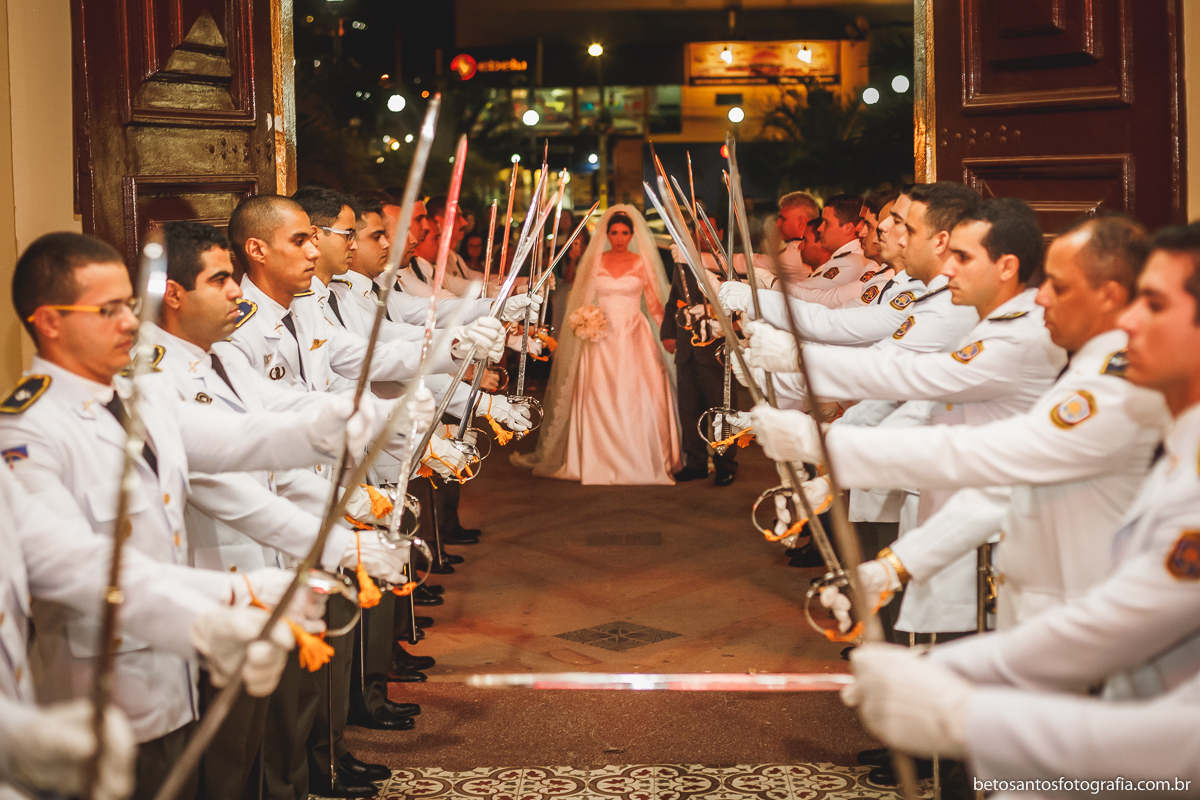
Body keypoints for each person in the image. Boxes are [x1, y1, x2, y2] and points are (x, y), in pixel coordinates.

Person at [844, 223, 1200, 792]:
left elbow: (1126, 624)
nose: (1131, 319)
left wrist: (962, 709)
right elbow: (1004, 483)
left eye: (1154, 304)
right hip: (1075, 660)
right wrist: (899, 574)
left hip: (1093, 671)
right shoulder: (1141, 403)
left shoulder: (1115, 385)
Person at [1, 231, 356, 799]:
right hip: (99, 694)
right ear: (50, 322)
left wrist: (345, 420)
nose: (129, 321)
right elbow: (73, 563)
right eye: (108, 310)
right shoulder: (29, 430)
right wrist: (229, 599)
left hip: (174, 675)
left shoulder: (141, 396)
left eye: (128, 304)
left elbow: (245, 438)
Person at [524, 205, 682, 484]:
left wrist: (668, 333)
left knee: (637, 393)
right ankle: (597, 457)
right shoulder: (595, 261)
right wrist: (584, 320)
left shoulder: (641, 262)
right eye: (614, 233)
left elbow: (654, 304)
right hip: (600, 336)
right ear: (607, 234)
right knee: (598, 392)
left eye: (624, 233)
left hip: (634, 334)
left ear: (632, 235)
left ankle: (643, 456)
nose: (619, 238)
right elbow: (581, 298)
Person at [662, 210, 737, 486]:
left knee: (721, 409)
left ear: (720, 233)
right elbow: (674, 300)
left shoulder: (727, 262)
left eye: (710, 229)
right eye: (699, 230)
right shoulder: (683, 262)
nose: (704, 235)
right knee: (689, 409)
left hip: (715, 348)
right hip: (686, 348)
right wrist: (668, 332)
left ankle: (725, 463)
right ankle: (695, 462)